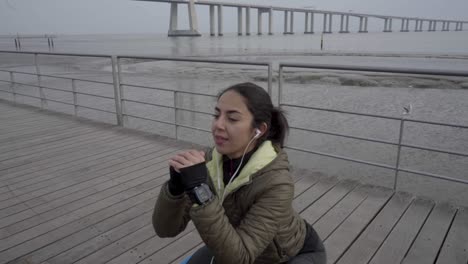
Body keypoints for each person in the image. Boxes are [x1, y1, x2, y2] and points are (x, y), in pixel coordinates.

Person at [153, 82, 326, 264]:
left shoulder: (278, 183)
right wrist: (175, 190)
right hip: (234, 242)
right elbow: (165, 229)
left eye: (232, 118)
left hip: (289, 255)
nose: (218, 125)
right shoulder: (211, 163)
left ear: (259, 130)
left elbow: (240, 258)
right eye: (216, 114)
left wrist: (201, 192)